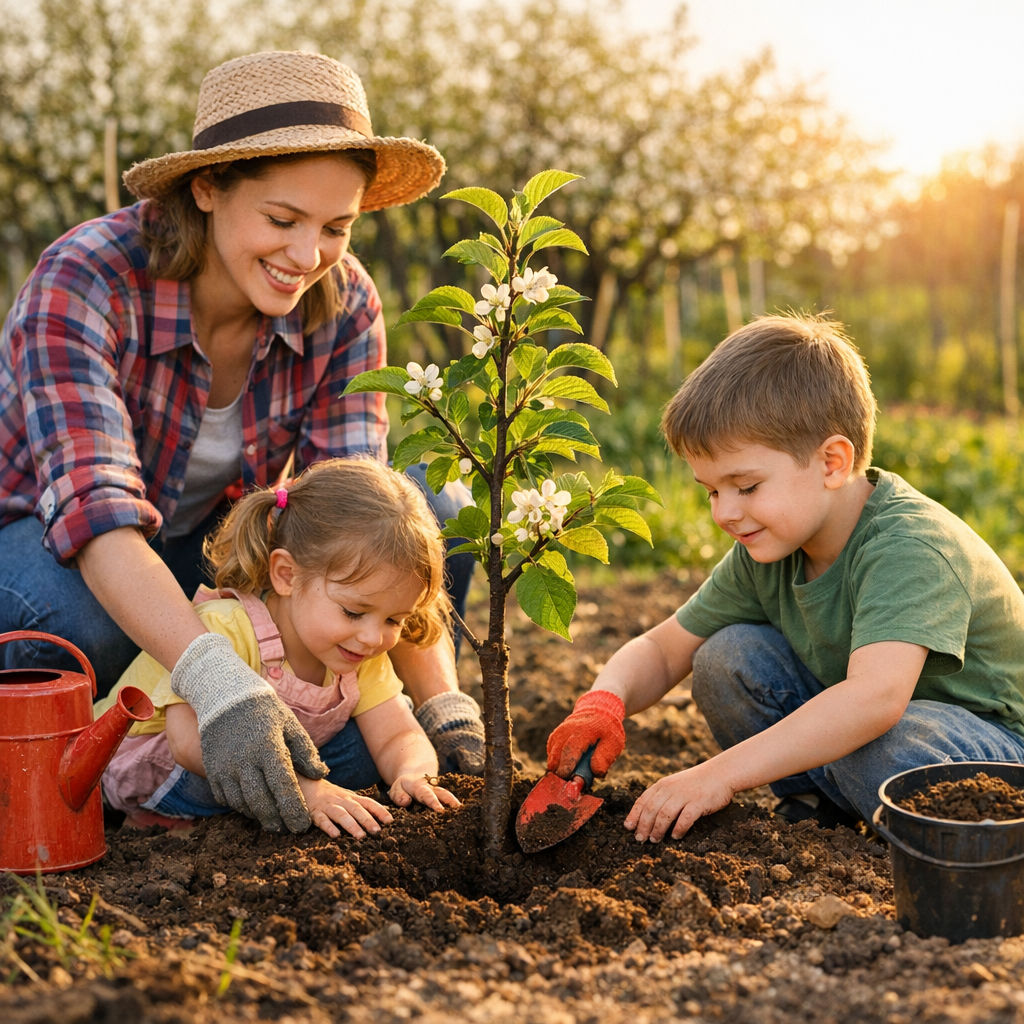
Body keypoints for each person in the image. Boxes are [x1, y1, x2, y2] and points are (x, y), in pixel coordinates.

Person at [0, 50, 487, 834]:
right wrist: (221, 684)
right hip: (55, 555)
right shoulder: (87, 279)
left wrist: (441, 708)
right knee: (82, 627)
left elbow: (365, 514)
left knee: (432, 510)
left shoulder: (343, 302)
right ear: (207, 188)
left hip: (204, 554)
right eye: (282, 220)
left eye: (337, 227)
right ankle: (114, 757)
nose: (308, 257)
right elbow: (95, 523)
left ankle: (262, 757)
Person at [546, 313, 1024, 843]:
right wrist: (603, 702)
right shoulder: (768, 550)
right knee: (725, 657)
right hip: (875, 747)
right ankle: (823, 811)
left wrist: (716, 775)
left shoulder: (910, 546)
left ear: (832, 463)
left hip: (992, 759)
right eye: (711, 491)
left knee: (880, 741)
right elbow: (664, 650)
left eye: (746, 486)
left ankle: (950, 839)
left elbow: (874, 700)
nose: (724, 512)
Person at [97, 457, 461, 834]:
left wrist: (413, 775)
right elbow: (187, 744)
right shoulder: (228, 627)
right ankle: (161, 820)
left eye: (394, 620)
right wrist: (306, 790)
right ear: (287, 575)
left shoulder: (359, 651)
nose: (373, 637)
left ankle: (253, 818)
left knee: (366, 752)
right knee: (237, 760)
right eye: (354, 612)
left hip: (262, 766)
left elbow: (399, 735)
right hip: (161, 768)